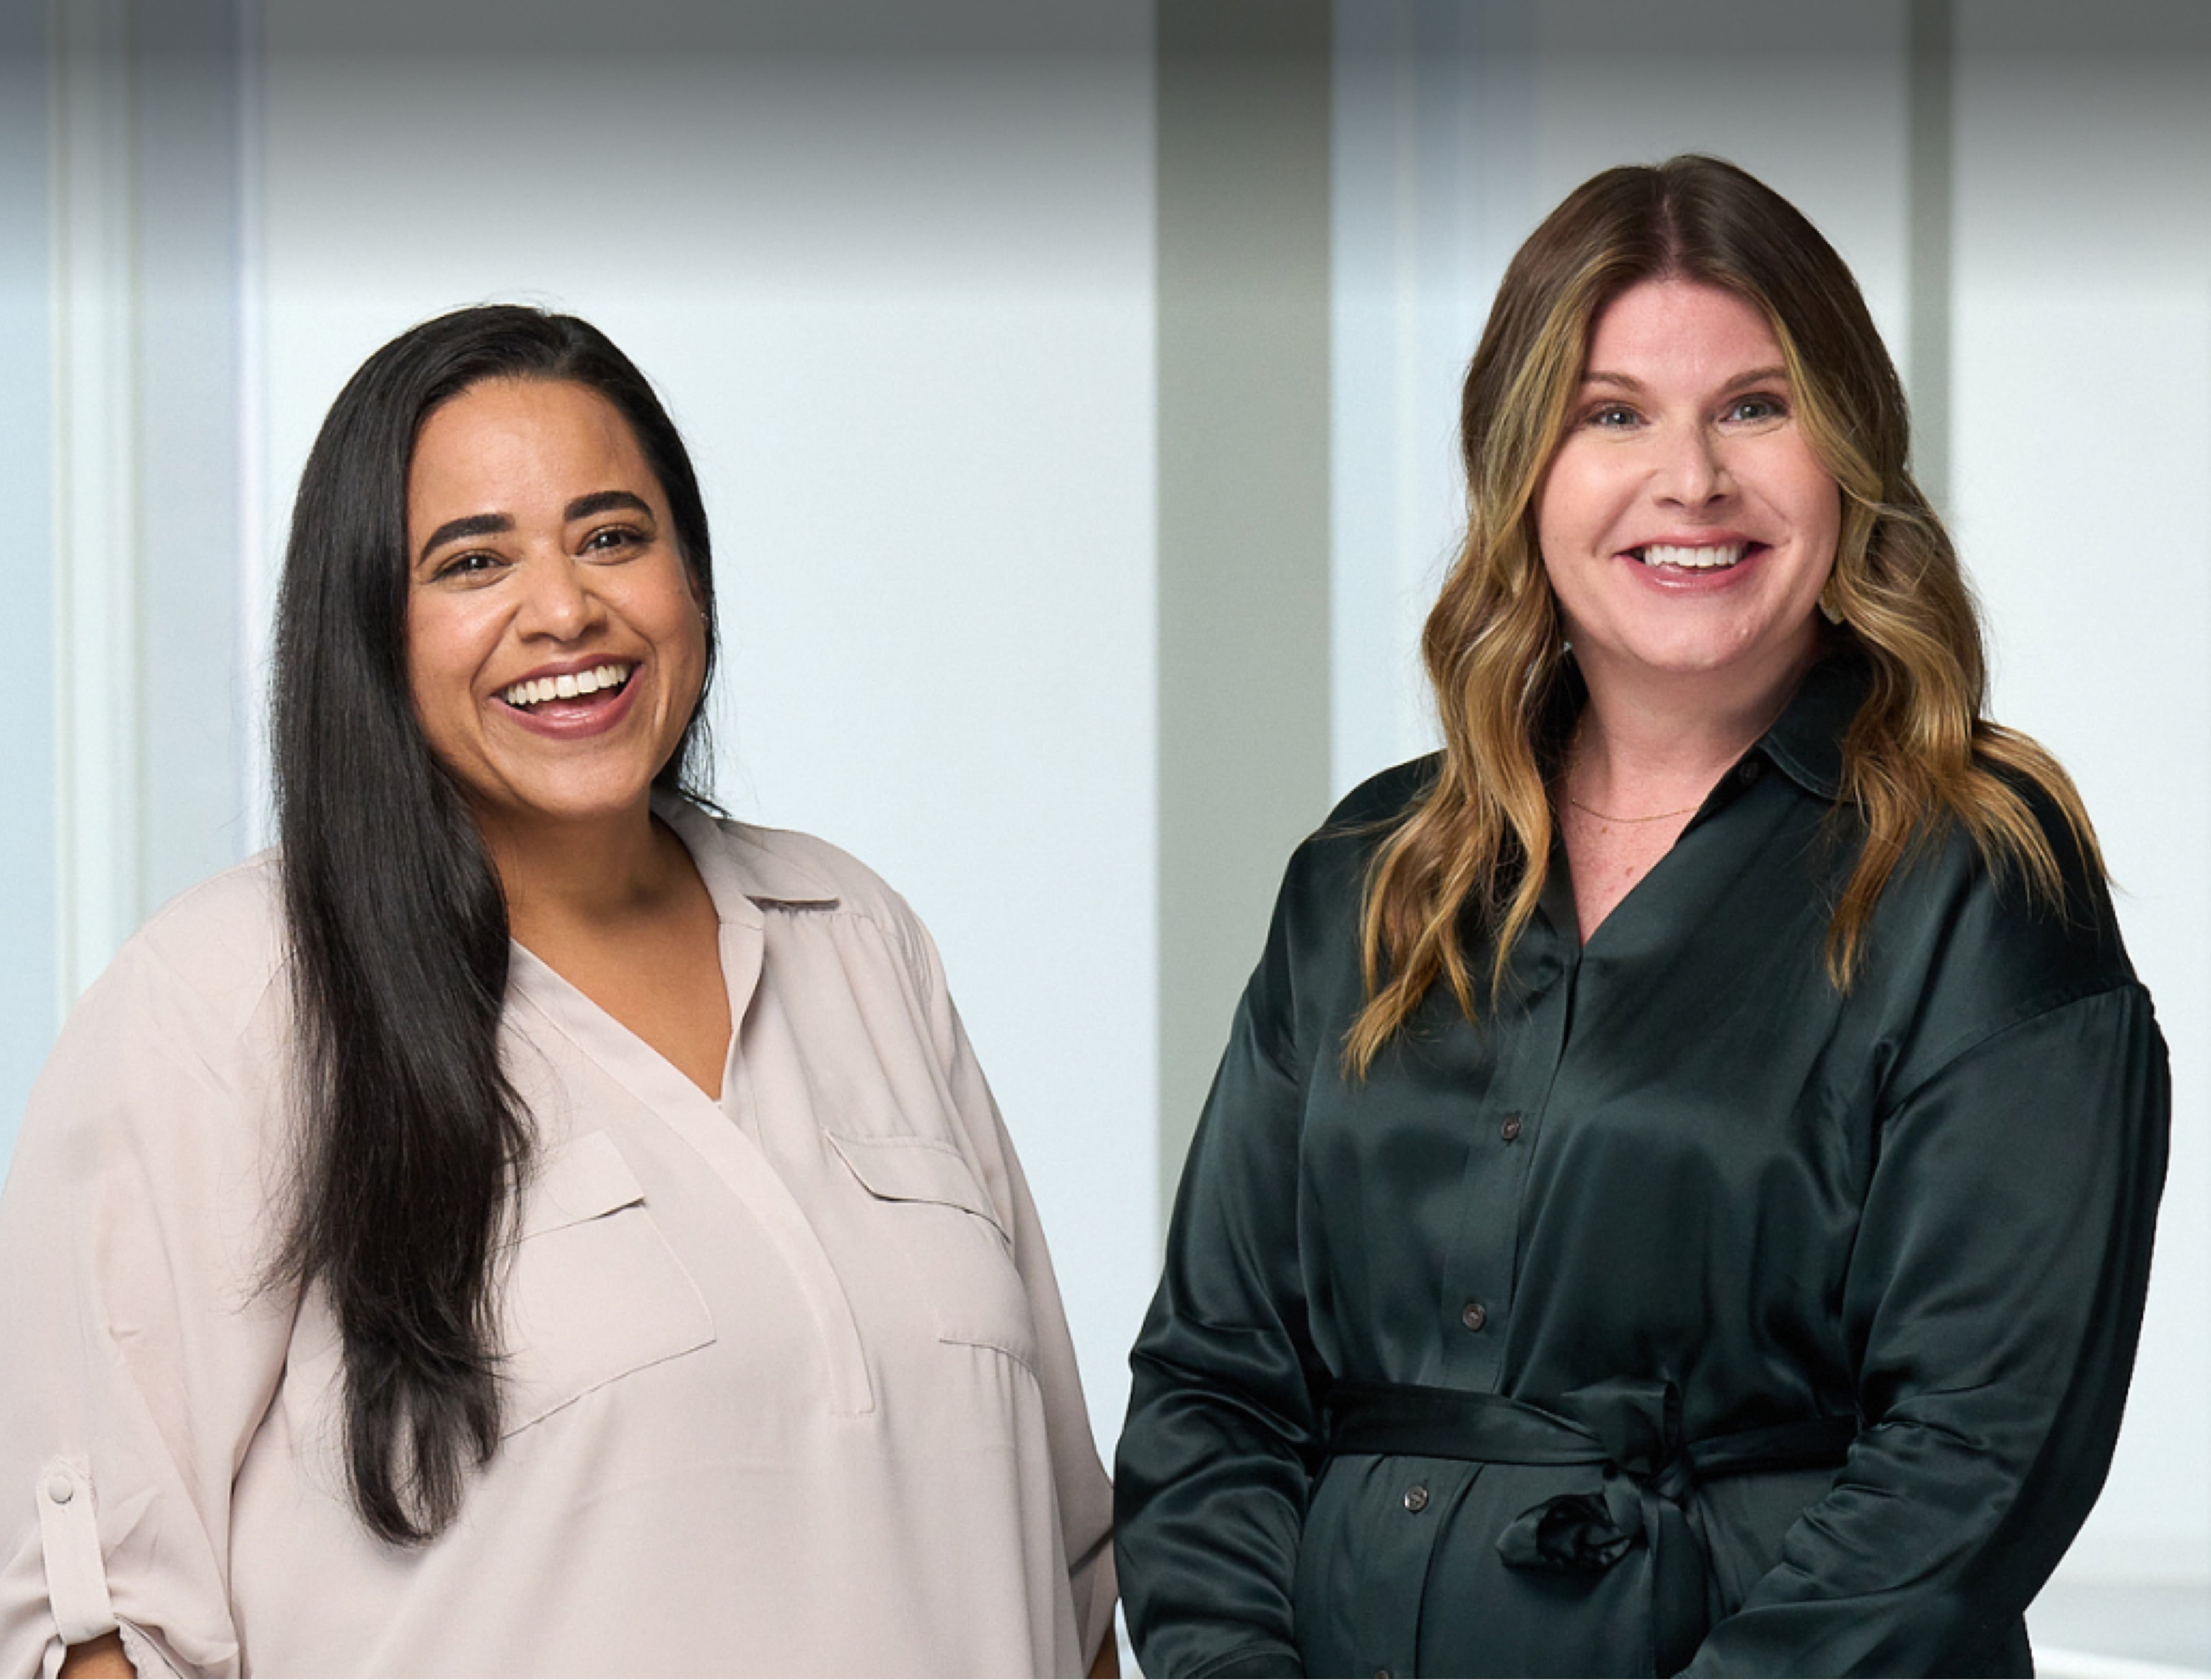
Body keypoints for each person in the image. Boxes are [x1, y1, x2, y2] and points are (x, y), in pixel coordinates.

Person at [1114, 155, 2168, 1678]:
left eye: (1756, 405)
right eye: (1613, 414)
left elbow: (1973, 1458)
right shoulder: (1364, 869)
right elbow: (1211, 1389)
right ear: (1525, 469)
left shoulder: (1980, 876)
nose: (1693, 479)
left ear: (1849, 455)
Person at [0, 306, 1116, 1678]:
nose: (566, 607)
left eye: (613, 536)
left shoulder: (856, 938)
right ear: (371, 629)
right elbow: (97, 1628)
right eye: (474, 560)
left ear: (692, 580)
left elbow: (1065, 1572)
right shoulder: (224, 1003)